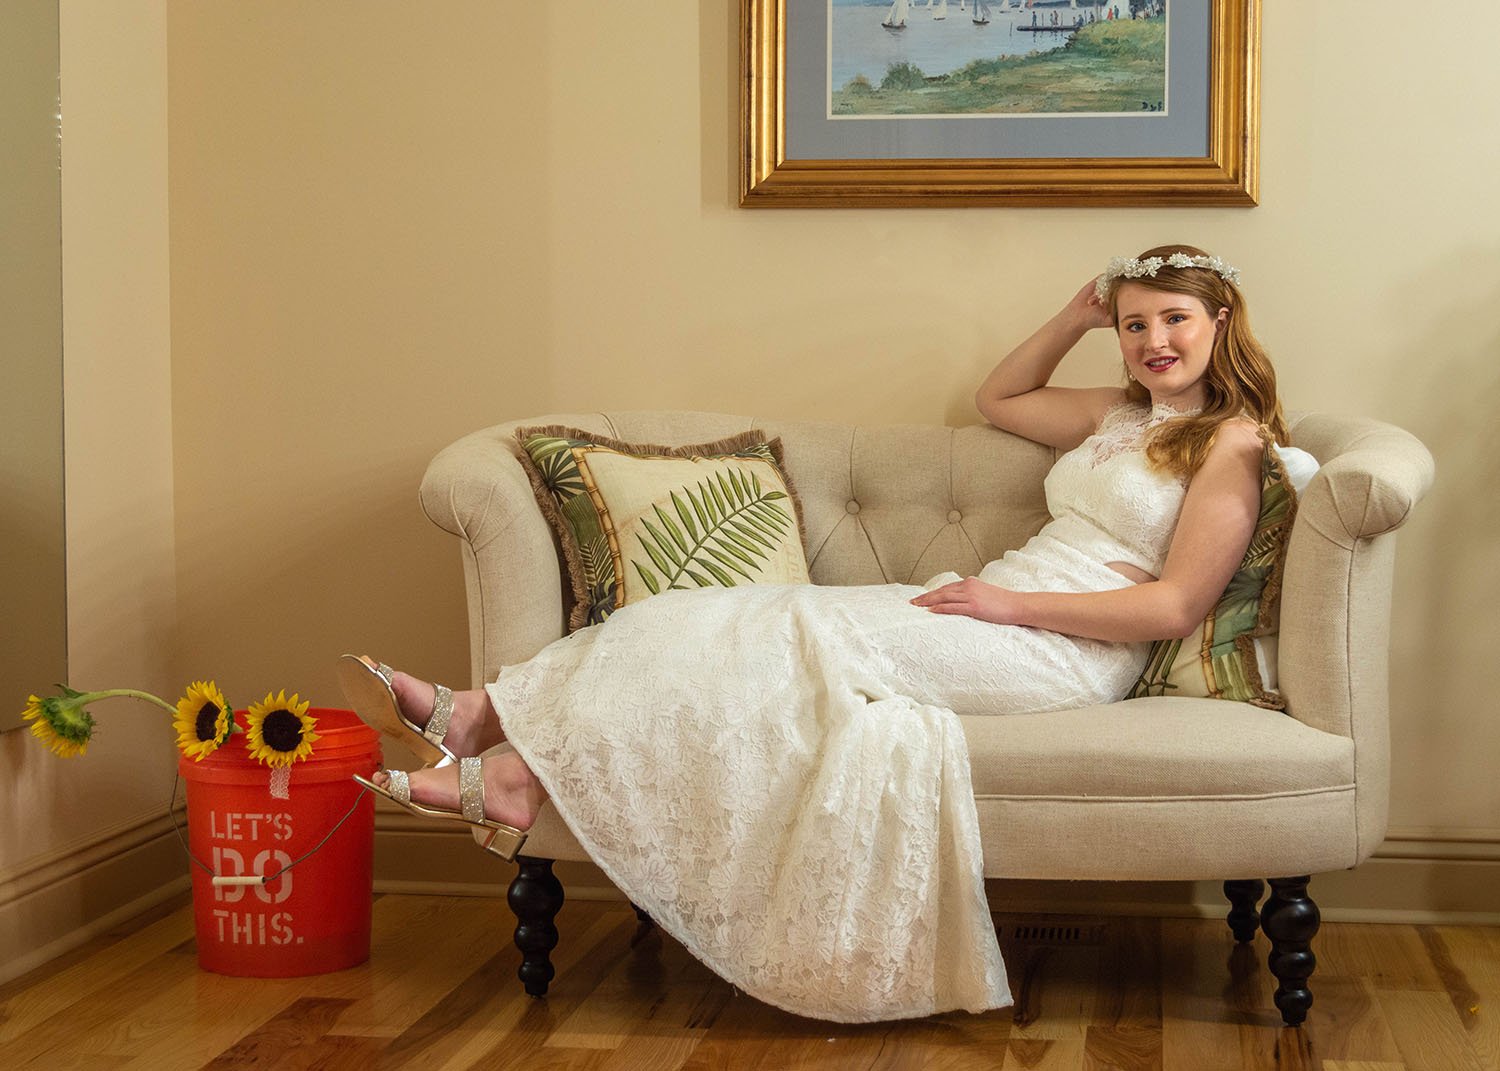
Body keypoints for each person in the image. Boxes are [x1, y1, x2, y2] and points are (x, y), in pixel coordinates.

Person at [342, 245, 1284, 1023]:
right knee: (707, 614)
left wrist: (1012, 607)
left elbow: (1172, 606)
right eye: (1135, 322)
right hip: (991, 603)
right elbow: (1001, 397)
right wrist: (1075, 315)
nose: (1153, 340)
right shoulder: (1115, 414)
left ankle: (502, 761)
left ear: (1219, 322)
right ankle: (486, 726)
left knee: (785, 629)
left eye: (1174, 320)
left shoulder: (1232, 442)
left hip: (1059, 645)